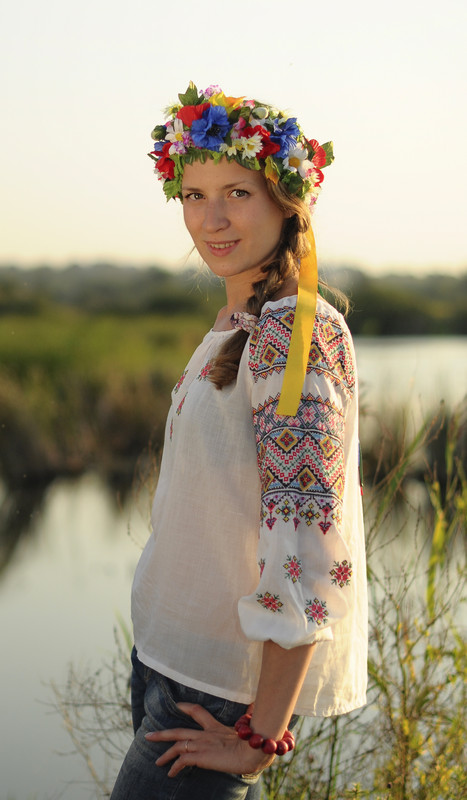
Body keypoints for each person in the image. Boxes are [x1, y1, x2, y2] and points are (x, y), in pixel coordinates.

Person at [110, 82, 367, 800]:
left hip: (219, 692)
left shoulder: (293, 331)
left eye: (237, 194)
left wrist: (260, 734)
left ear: (287, 202)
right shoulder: (236, 322)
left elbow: (307, 541)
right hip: (167, 661)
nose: (212, 219)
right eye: (194, 196)